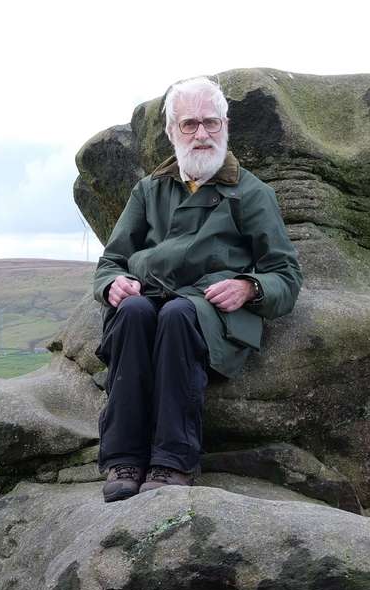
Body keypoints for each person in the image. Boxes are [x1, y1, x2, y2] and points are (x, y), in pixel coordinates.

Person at [91, 75, 302, 501]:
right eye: (189, 124)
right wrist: (113, 284)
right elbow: (111, 261)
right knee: (131, 313)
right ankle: (123, 458)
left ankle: (173, 462)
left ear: (226, 126)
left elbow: (286, 274)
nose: (202, 134)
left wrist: (248, 287)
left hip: (210, 312)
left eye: (211, 122)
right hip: (150, 300)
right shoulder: (149, 190)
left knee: (177, 314)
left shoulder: (251, 193)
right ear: (172, 132)